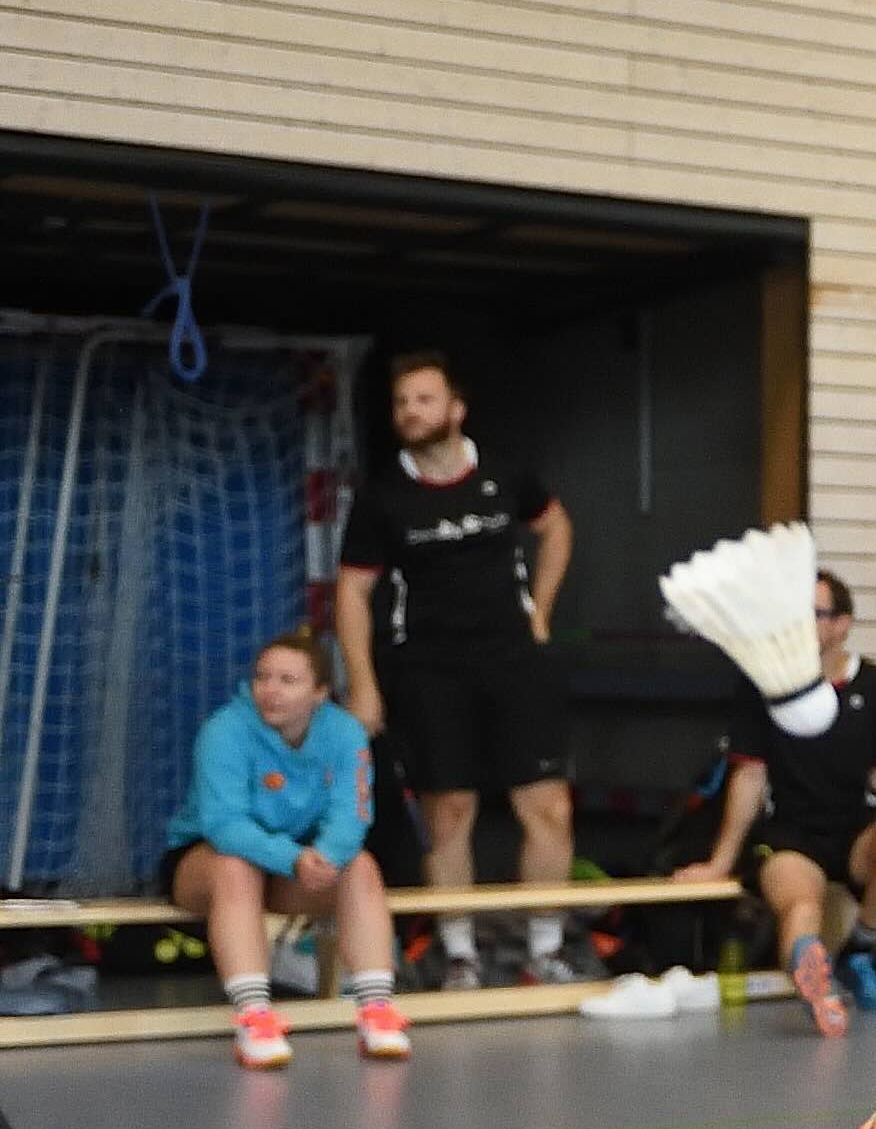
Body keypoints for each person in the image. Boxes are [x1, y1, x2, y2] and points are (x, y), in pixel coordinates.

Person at [332, 351, 580, 987]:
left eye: (424, 399)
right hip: (429, 669)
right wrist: (363, 683)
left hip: (513, 662)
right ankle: (460, 952)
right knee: (449, 813)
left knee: (547, 808)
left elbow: (556, 529)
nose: (411, 412)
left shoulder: (504, 473)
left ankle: (546, 948)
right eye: (401, 402)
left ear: (455, 409)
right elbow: (353, 593)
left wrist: (541, 611)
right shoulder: (383, 497)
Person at [673, 569, 876, 1037]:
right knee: (800, 907)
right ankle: (817, 988)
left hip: (856, 831)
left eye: (812, 614)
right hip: (789, 835)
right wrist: (719, 861)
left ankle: (857, 955)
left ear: (842, 625)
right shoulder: (762, 685)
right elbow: (749, 776)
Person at [162, 634, 410, 1068]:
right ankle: (254, 1017)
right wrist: (292, 859)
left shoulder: (344, 732)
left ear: (319, 692)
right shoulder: (225, 731)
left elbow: (352, 815)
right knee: (236, 869)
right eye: (262, 678)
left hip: (297, 864)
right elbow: (224, 825)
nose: (270, 690)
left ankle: (376, 1010)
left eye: (288, 680)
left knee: (361, 866)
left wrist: (327, 856)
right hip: (209, 859)